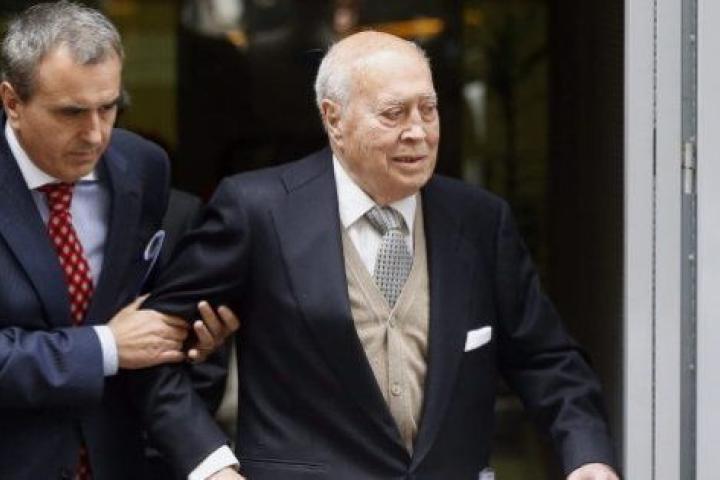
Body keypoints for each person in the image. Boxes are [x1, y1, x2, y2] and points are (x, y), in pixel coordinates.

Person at [145, 31, 620, 479]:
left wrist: (588, 457)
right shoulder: (257, 212)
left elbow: (546, 359)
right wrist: (210, 465)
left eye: (428, 110)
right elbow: (153, 352)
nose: (418, 132)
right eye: (394, 114)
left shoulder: (479, 221)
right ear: (334, 119)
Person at [0, 2, 239, 479]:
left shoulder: (142, 166)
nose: (95, 134)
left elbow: (147, 318)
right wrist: (104, 346)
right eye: (71, 112)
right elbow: (118, 339)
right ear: (12, 102)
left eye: (109, 107)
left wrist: (190, 338)